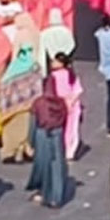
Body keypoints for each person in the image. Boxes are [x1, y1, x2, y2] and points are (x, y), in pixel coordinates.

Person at [26, 72, 70, 207]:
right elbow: (65, 120)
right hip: (57, 135)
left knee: (44, 165)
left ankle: (45, 193)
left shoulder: (38, 103)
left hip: (42, 136)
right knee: (57, 166)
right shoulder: (61, 102)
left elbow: (33, 123)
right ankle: (56, 197)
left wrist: (30, 142)